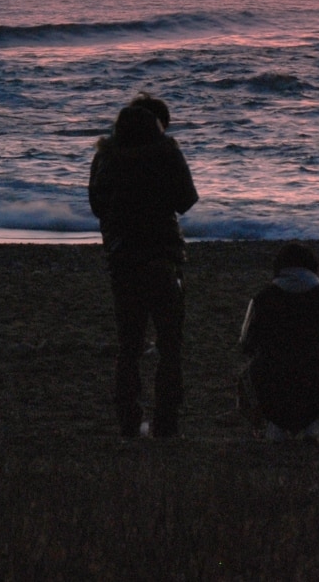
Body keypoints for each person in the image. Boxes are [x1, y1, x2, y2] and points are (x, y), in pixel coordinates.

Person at [88, 95, 200, 439]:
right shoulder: (165, 153)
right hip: (162, 254)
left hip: (123, 257)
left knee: (129, 345)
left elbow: (96, 206)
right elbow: (186, 200)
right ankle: (166, 422)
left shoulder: (106, 156)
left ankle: (129, 421)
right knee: (170, 345)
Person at [238, 243, 319, 441]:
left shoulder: (262, 299)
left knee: (247, 371)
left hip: (271, 388)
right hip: (318, 389)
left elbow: (246, 344)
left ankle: (267, 424)